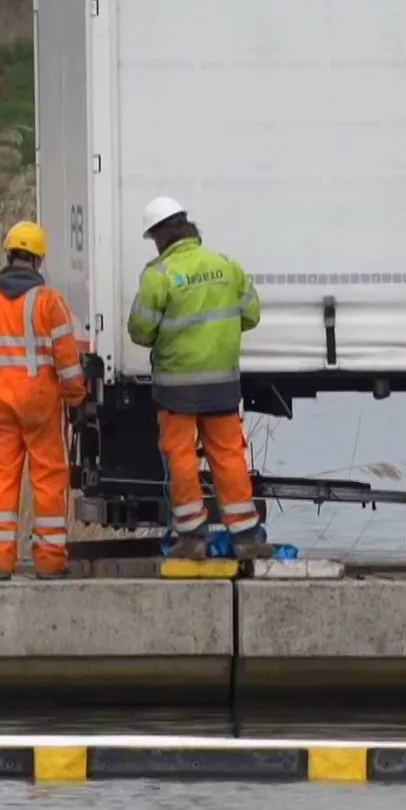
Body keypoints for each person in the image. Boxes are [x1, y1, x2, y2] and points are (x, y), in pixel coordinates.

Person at [126, 197, 273, 561]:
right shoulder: (226, 265)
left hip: (176, 388)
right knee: (228, 456)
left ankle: (192, 538)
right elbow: (251, 315)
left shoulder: (158, 276)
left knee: (181, 458)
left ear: (160, 236)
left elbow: (140, 331)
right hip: (222, 384)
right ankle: (247, 537)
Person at [0, 220, 88, 580]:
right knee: (48, 480)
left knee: (1, 480)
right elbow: (68, 363)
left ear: (8, 255)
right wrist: (77, 402)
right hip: (41, 406)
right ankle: (49, 562)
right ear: (38, 260)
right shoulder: (50, 303)